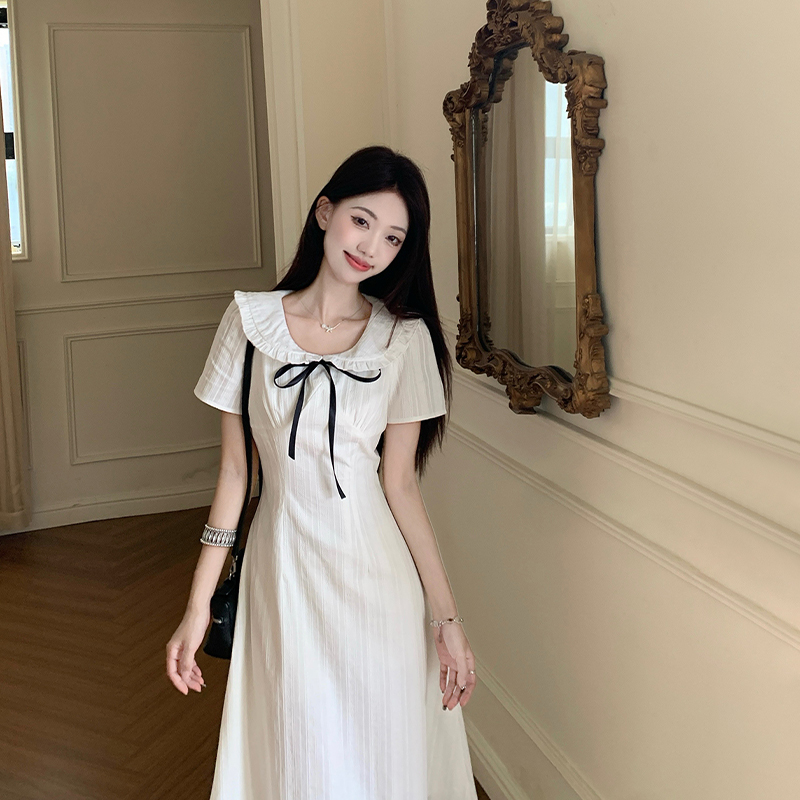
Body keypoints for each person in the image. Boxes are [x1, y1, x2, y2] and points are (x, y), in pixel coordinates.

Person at [166, 145, 479, 799]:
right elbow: (234, 475)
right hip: (283, 573)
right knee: (298, 751)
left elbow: (400, 485)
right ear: (325, 212)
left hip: (377, 580)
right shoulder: (249, 323)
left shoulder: (404, 339)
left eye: (393, 238)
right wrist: (197, 608)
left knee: (379, 750)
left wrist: (446, 621)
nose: (371, 247)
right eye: (362, 221)